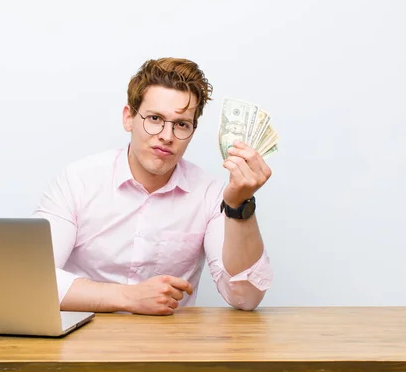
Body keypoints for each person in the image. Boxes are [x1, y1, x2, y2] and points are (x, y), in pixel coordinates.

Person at [32, 57, 273, 315]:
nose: (167, 136)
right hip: (82, 343)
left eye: (181, 124)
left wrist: (239, 206)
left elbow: (245, 298)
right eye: (155, 118)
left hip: (169, 348)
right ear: (129, 118)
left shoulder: (210, 194)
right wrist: (127, 297)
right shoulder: (78, 181)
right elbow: (32, 278)